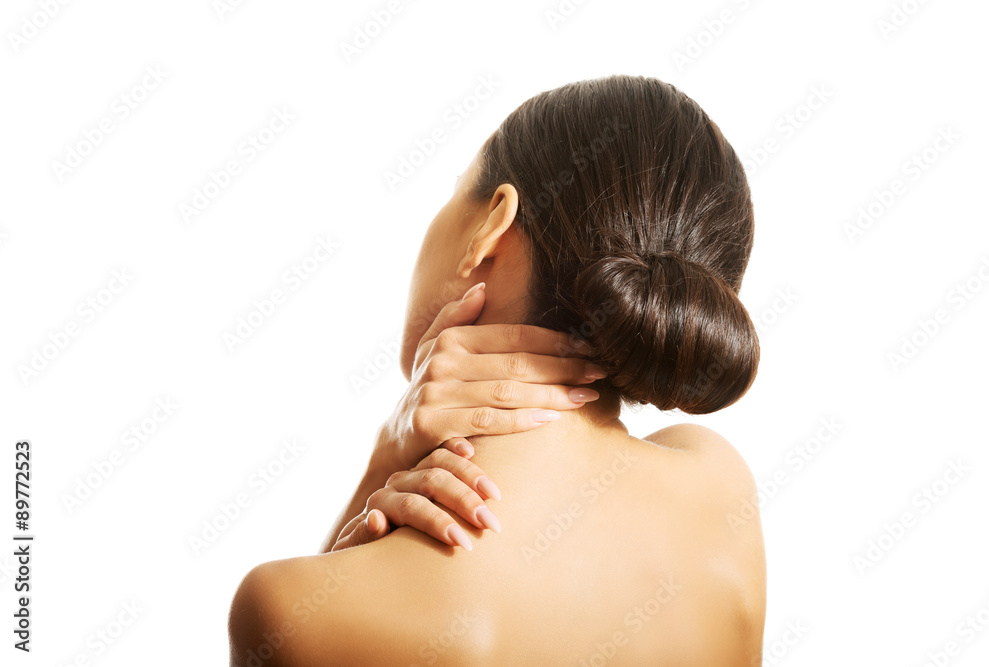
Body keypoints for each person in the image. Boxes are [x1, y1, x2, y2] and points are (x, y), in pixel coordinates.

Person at [229, 74, 766, 666]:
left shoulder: (285, 607)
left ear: (491, 227)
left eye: (454, 188)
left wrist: (382, 470)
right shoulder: (719, 492)